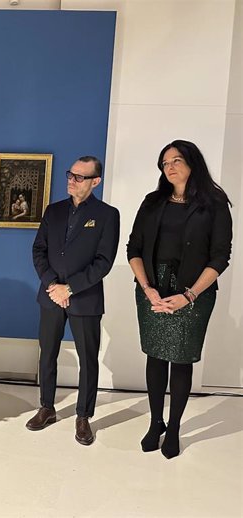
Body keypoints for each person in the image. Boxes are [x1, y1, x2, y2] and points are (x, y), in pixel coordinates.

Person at [127, 140, 232, 459]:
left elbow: (220, 257)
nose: (169, 167)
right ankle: (156, 422)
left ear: (192, 162)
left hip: (194, 291)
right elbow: (134, 248)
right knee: (156, 356)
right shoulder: (153, 201)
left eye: (176, 160)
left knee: (182, 358)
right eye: (164, 163)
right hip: (152, 287)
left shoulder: (214, 203)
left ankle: (174, 428)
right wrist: (147, 288)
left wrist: (189, 295)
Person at [28, 156, 119, 445]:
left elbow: (104, 262)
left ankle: (83, 416)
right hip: (51, 296)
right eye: (71, 174)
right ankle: (47, 407)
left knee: (88, 359)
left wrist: (71, 289)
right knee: (48, 354)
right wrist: (53, 285)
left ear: (95, 181)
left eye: (80, 176)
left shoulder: (107, 215)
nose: (71, 179)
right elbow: (39, 251)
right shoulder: (53, 211)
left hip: (85, 298)